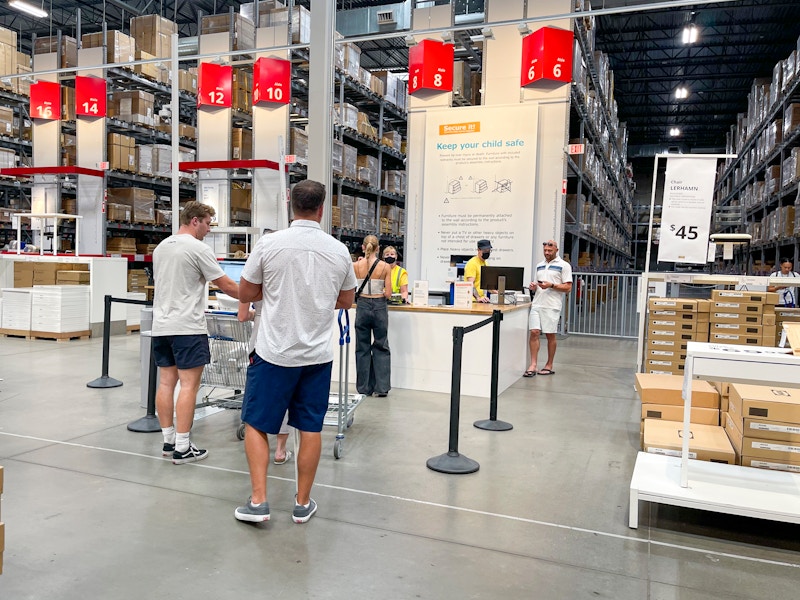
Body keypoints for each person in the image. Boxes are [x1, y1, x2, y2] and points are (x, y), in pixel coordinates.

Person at [235, 180, 356, 524]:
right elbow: (347, 300)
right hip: (317, 355)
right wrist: (315, 299)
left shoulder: (269, 244)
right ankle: (302, 504)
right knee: (310, 427)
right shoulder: (338, 250)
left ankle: (259, 502)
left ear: (290, 204)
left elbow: (246, 291)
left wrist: (275, 293)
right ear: (321, 208)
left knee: (257, 424)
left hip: (274, 351)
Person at [152, 201, 240, 464]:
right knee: (190, 386)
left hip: (161, 326)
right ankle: (183, 447)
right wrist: (254, 295)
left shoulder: (161, 247)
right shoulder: (198, 248)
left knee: (166, 383)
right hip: (188, 327)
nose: (209, 230)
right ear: (195, 221)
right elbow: (224, 284)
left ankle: (169, 442)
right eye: (208, 224)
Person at [237, 230, 292, 465]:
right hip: (287, 340)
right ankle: (280, 450)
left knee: (258, 401)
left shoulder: (253, 281)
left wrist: (256, 313)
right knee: (286, 399)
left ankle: (260, 453)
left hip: (260, 342)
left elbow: (241, 316)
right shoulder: (286, 276)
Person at [524, 239, 573, 377]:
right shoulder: (539, 265)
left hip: (552, 305)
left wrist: (552, 285)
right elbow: (536, 284)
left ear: (556, 250)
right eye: (545, 250)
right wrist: (533, 287)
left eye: (550, 251)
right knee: (534, 332)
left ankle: (549, 365)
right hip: (537, 303)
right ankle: (533, 364)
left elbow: (568, 287)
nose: (547, 253)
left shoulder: (564, 266)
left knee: (550, 335)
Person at [354, 235, 393, 397]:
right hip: (379, 306)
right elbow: (389, 294)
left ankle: (364, 388)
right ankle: (382, 387)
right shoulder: (385, 267)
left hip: (362, 306)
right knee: (381, 346)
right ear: (378, 249)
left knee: (362, 347)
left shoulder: (355, 265)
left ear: (363, 248)